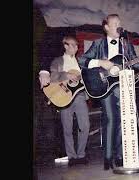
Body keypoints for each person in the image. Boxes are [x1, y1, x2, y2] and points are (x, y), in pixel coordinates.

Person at [78, 14, 139, 170]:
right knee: (110, 119)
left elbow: (137, 63)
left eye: (119, 23)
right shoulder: (98, 44)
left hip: (123, 87)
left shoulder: (126, 45)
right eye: (115, 23)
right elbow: (82, 60)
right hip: (104, 86)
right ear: (106, 27)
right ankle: (108, 157)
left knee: (124, 120)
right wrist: (101, 62)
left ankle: (120, 156)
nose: (118, 25)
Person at [50, 35, 90, 166]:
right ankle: (72, 157)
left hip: (79, 97)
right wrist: (66, 75)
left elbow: (86, 78)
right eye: (73, 45)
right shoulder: (57, 61)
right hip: (63, 97)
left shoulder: (80, 62)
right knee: (67, 129)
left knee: (85, 126)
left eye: (77, 45)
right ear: (65, 45)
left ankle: (81, 155)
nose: (76, 47)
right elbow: (53, 78)